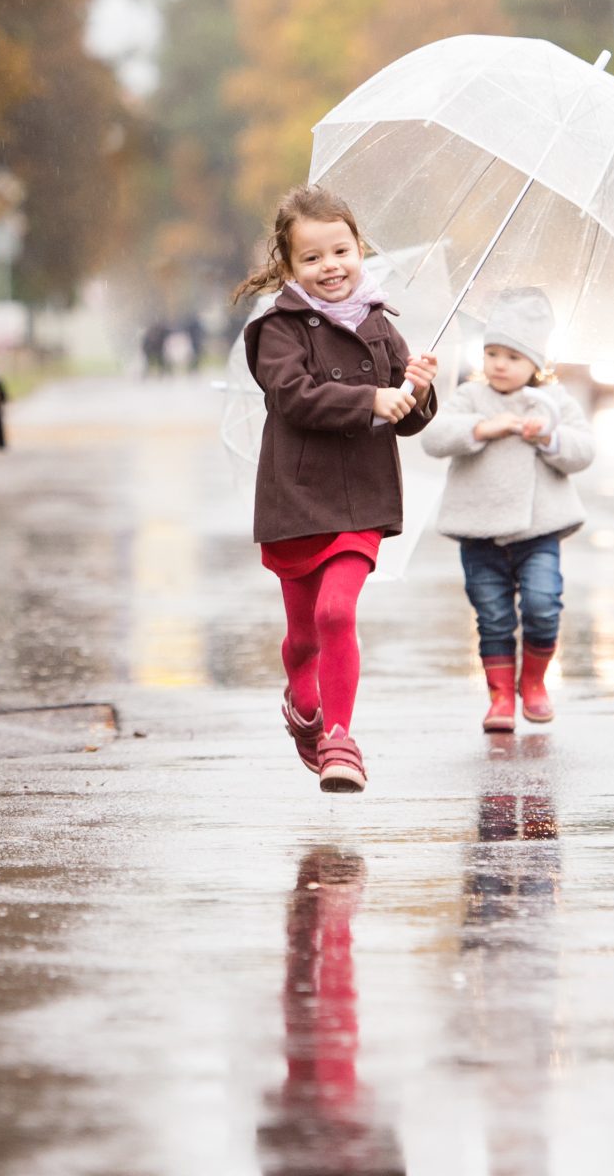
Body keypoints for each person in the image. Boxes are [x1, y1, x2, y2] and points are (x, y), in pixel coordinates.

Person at [235, 185, 438, 793]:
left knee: (335, 610)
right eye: (313, 258)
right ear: (289, 265)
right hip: (296, 497)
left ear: (360, 250)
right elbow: (291, 396)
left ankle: (340, 739)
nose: (331, 267)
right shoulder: (278, 328)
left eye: (341, 251)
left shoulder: (381, 324)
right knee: (303, 634)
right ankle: (303, 706)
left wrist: (418, 390)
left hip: (362, 498)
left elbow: (408, 418)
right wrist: (371, 397)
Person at [420, 288, 595, 732]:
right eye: (492, 353)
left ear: (536, 364)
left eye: (513, 357)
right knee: (492, 615)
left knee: (542, 605)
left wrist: (548, 439)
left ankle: (533, 682)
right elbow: (434, 437)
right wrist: (482, 427)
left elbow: (583, 449)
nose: (499, 364)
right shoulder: (471, 396)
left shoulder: (552, 401)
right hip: (479, 532)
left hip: (539, 530)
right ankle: (500, 697)